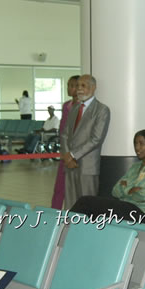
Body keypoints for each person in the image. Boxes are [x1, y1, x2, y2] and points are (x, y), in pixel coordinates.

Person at [70, 129, 145, 224]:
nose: (137, 148)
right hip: (125, 207)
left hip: (143, 215)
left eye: (141, 143)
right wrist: (131, 190)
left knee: (87, 203)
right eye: (135, 143)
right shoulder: (135, 167)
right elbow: (115, 191)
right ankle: (67, 229)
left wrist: (125, 188)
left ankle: (63, 228)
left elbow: (144, 195)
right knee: (86, 203)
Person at [61, 74, 110, 210]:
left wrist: (73, 155)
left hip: (87, 167)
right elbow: (65, 134)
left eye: (83, 86)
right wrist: (66, 156)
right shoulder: (74, 109)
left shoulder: (101, 110)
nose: (79, 89)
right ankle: (69, 229)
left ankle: (86, 231)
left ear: (93, 88)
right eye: (77, 86)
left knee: (88, 206)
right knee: (70, 204)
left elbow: (96, 139)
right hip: (70, 165)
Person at [51, 75, 79, 209]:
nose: (70, 88)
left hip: (75, 154)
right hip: (64, 152)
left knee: (74, 190)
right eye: (68, 85)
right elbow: (63, 129)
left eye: (73, 85)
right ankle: (53, 213)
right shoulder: (66, 105)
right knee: (59, 187)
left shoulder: (82, 107)